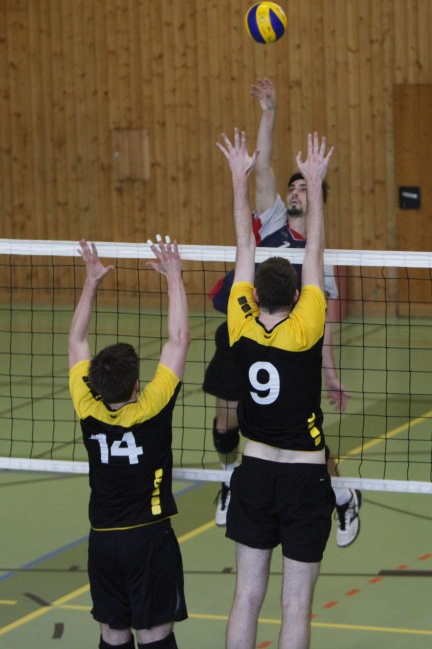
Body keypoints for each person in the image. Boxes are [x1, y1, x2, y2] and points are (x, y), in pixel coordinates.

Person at [203, 78, 361, 548]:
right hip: (245, 336)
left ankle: (341, 493)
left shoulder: (319, 260)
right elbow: (265, 166)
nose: (294, 192)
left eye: (304, 188)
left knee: (297, 433)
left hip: (292, 352)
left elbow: (321, 327)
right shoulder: (271, 219)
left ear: (316, 201)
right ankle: (229, 479)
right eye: (292, 188)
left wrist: (331, 375)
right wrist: (268, 112)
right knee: (227, 422)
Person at [218, 128, 335, 649]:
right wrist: (315, 184)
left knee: (246, 596)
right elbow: (315, 250)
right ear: (296, 294)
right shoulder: (307, 326)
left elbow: (245, 244)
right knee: (296, 603)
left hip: (255, 470)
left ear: (254, 293)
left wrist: (238, 180)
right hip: (303, 477)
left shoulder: (239, 321)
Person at [68, 236, 190, 649]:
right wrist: (173, 276)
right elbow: (179, 339)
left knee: (112, 634)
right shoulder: (152, 407)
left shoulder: (88, 408)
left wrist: (91, 282)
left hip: (103, 539)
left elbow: (75, 343)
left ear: (96, 384)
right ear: (138, 384)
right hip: (148, 539)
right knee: (155, 635)